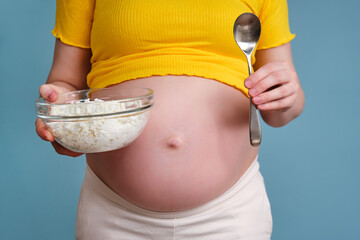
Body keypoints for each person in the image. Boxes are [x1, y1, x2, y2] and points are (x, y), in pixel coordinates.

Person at [35, 0, 305, 239]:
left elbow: (280, 110)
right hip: (114, 216)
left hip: (229, 215)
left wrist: (286, 96)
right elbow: (65, 81)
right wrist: (60, 114)